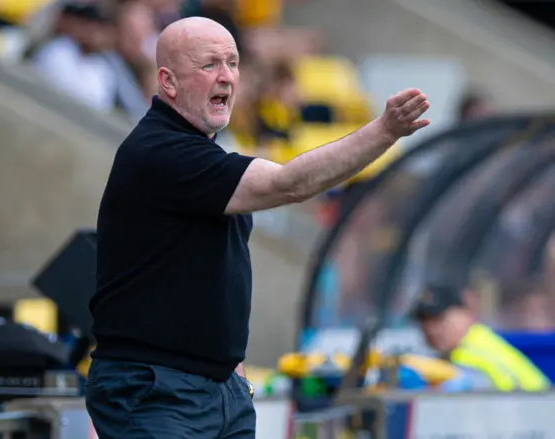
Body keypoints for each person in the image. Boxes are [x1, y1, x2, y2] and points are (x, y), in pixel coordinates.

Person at [86, 16, 430, 439]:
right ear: (168, 82)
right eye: (209, 64)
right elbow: (290, 184)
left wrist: (232, 372)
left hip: (217, 389)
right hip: (157, 391)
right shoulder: (160, 151)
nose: (227, 76)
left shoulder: (201, 151)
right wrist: (384, 131)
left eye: (233, 63)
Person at [410, 282, 550, 392]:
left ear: (464, 313)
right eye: (423, 320)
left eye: (438, 318)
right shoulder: (478, 339)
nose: (430, 329)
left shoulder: (469, 355)